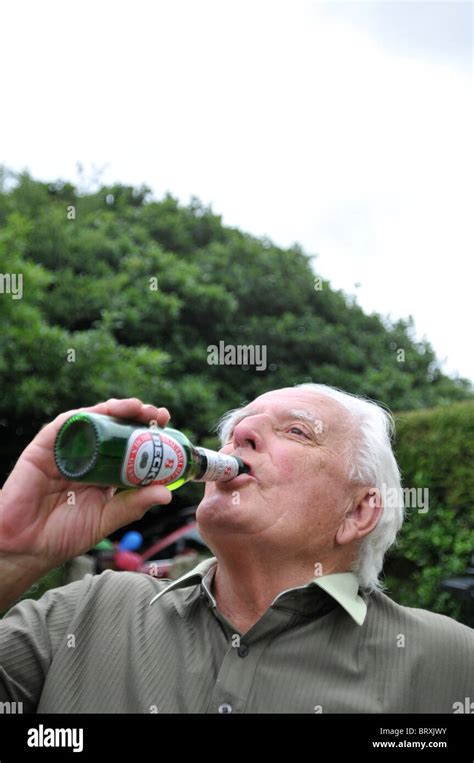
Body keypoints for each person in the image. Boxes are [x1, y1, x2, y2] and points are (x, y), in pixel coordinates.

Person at [0, 385, 472, 713]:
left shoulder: (451, 661)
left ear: (358, 512)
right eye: (238, 429)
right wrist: (12, 551)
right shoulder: (87, 611)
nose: (240, 437)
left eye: (296, 432)